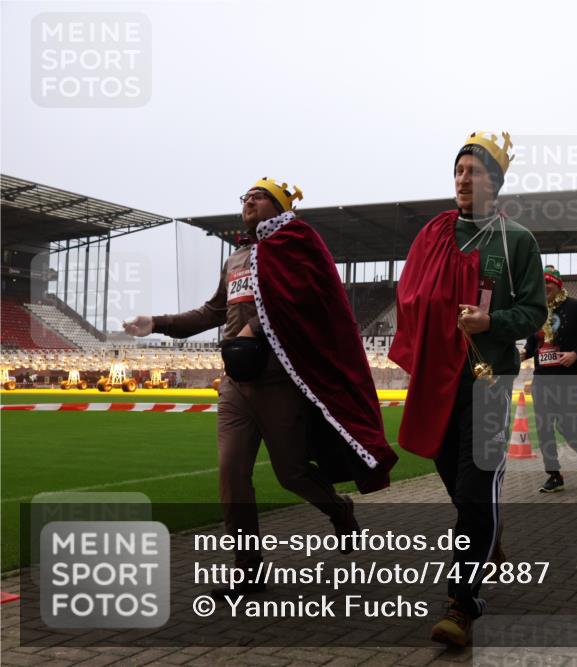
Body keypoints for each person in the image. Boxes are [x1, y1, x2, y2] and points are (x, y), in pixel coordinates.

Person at [124, 178, 397, 597]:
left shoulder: (295, 247)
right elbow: (213, 311)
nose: (249, 201)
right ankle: (248, 570)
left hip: (278, 382)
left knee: (291, 474)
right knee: (232, 474)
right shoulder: (235, 259)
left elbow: (310, 304)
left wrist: (258, 327)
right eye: (245, 197)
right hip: (235, 385)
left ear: (281, 205)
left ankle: (338, 509)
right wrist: (157, 323)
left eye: (259, 196)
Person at [389, 132, 546, 647]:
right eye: (458, 169)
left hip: (487, 381)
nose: (462, 178)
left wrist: (491, 321)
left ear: (494, 182)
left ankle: (462, 602)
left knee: (476, 488)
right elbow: (410, 294)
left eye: (473, 171)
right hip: (437, 379)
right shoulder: (432, 234)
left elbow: (535, 312)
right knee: (457, 486)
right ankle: (487, 533)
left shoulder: (516, 240)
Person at [523, 266, 577, 493]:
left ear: (558, 285)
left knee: (567, 425)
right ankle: (554, 475)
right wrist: (523, 354)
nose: (544, 288)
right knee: (544, 427)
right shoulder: (537, 312)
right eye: (541, 284)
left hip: (570, 377)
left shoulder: (576, 307)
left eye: (548, 283)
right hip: (543, 379)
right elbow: (532, 344)